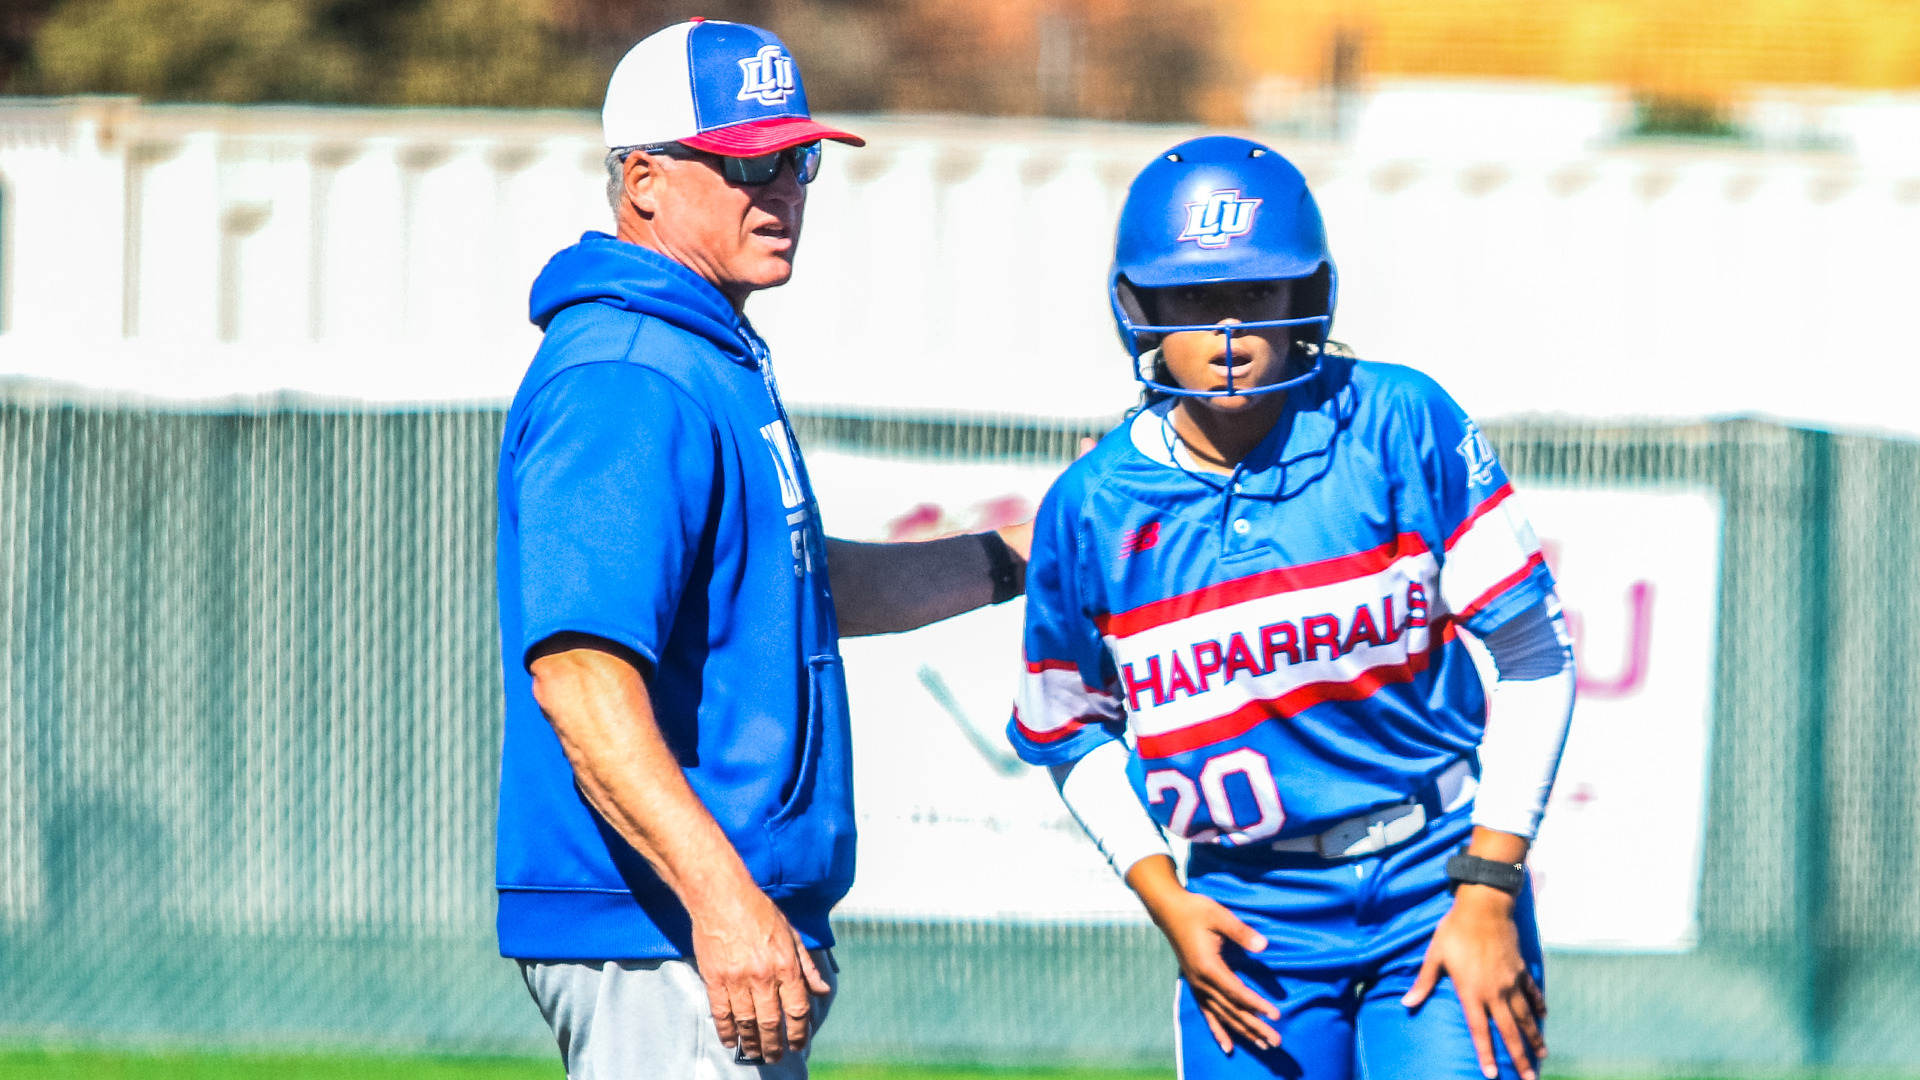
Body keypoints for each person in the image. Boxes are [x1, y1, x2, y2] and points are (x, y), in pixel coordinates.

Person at [495, 19, 1029, 1079]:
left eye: (798, 159)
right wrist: (722, 899)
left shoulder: (703, 353)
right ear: (643, 179)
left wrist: (1014, 557)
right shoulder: (629, 372)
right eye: (745, 163)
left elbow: (789, 586)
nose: (780, 189)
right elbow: (581, 677)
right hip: (661, 927)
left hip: (696, 918)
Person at [1006, 135, 1577, 1080]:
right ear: (1138, 306)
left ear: (1307, 296)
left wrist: (1487, 889)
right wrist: (1163, 895)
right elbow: (1069, 732)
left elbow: (1536, 657)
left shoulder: (1398, 422)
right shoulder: (1093, 506)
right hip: (1249, 908)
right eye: (1193, 299)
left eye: (1257, 295)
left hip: (1437, 877)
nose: (1227, 332)